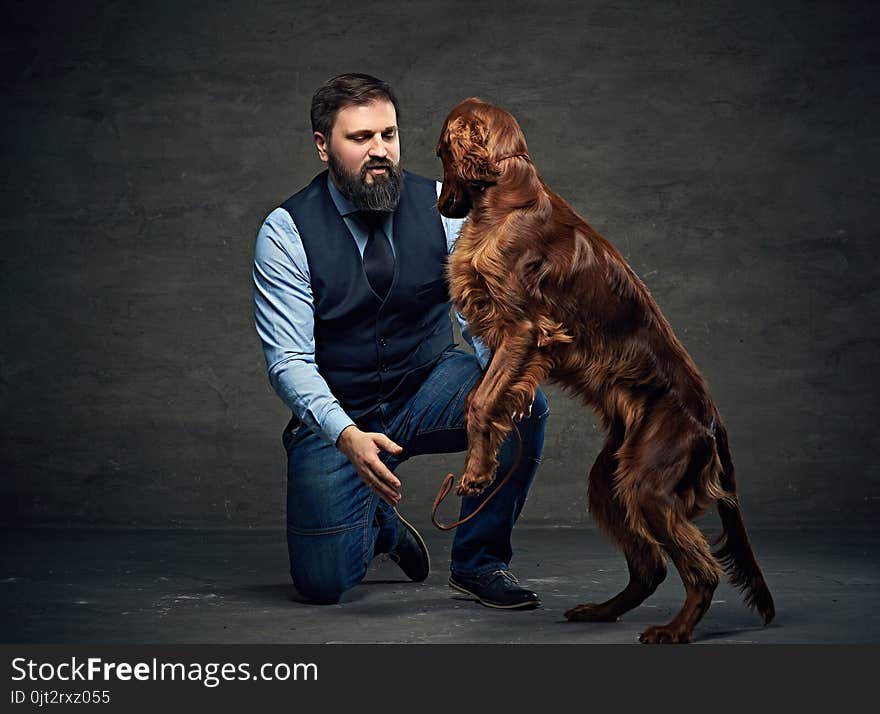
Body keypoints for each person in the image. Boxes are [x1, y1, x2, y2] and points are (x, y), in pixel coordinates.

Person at [252, 73, 548, 609]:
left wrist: (502, 383)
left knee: (523, 402)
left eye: (388, 135)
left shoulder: (443, 207)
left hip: (424, 388)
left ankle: (478, 564)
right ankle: (382, 526)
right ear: (324, 146)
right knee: (322, 585)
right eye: (360, 138)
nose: (379, 151)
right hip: (338, 415)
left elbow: (478, 318)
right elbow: (288, 360)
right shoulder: (286, 230)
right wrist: (345, 434)